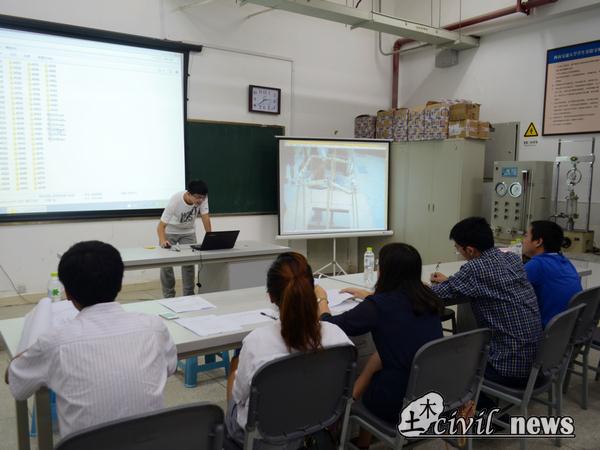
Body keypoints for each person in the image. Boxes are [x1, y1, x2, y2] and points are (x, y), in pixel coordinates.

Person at [6, 241, 177, 438]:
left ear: (67, 293)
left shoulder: (55, 342)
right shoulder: (154, 327)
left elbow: (15, 381)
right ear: (120, 284)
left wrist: (28, 352)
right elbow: (170, 367)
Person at [225, 252, 352, 445]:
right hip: (314, 424)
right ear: (312, 291)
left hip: (262, 436)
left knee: (236, 368)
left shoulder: (256, 342)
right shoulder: (339, 338)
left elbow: (239, 396)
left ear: (270, 297)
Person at [318, 243, 443, 438]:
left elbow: (331, 325)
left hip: (398, 401)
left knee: (374, 366)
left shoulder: (377, 307)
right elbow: (399, 305)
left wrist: (322, 300)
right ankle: (361, 437)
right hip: (434, 391)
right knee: (377, 358)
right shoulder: (429, 296)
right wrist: (371, 296)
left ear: (385, 271)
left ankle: (344, 412)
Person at [430, 217, 542, 390]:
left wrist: (420, 286)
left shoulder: (475, 269)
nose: (458, 251)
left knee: (440, 360)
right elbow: (486, 283)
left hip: (507, 368)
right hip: (535, 364)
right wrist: (452, 281)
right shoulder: (512, 258)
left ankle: (473, 400)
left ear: (470, 250)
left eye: (457, 248)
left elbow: (434, 294)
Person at [157, 180, 212, 298]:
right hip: (170, 231)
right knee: (166, 265)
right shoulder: (175, 200)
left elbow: (205, 217)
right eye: (197, 197)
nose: (200, 200)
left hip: (188, 232)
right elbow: (160, 226)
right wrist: (162, 241)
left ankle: (189, 295)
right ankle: (169, 295)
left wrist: (211, 237)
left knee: (189, 264)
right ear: (188, 194)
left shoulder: (202, 198)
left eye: (203, 198)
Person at [522, 220, 582, 327]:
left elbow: (510, 296)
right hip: (567, 330)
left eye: (526, 236)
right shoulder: (565, 261)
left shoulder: (537, 265)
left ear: (538, 242)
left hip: (546, 331)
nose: (523, 241)